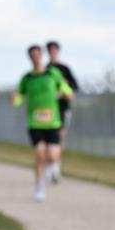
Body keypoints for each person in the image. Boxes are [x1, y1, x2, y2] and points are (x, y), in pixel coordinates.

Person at [14, 45, 72, 201]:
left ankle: (53, 166)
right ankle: (39, 186)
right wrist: (14, 99)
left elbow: (66, 89)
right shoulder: (27, 78)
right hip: (34, 122)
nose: (35, 57)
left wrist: (65, 93)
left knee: (52, 155)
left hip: (52, 121)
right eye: (32, 55)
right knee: (39, 154)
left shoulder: (52, 73)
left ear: (41, 56)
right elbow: (18, 97)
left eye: (37, 54)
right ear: (29, 57)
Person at [46, 40, 79, 181]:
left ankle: (56, 168)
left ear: (58, 52)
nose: (53, 52)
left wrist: (64, 91)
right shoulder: (45, 70)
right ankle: (50, 165)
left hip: (63, 108)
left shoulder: (65, 69)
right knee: (49, 139)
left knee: (60, 138)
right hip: (48, 110)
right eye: (50, 50)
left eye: (55, 50)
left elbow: (75, 87)